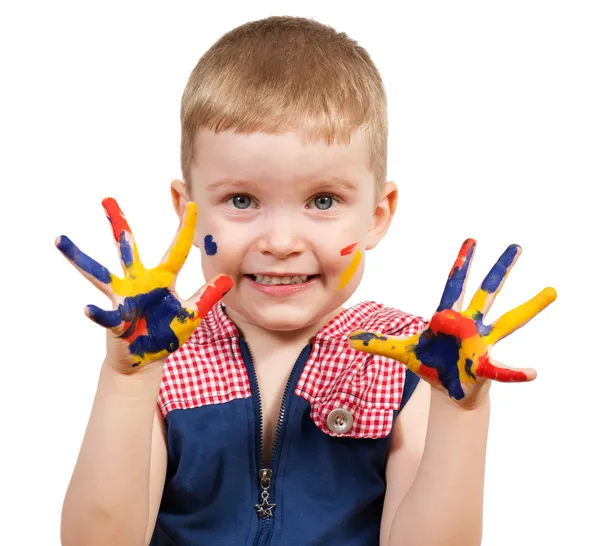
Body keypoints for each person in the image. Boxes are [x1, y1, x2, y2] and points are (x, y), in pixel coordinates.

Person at [56, 15, 556, 546]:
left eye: (323, 201)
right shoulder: (164, 359)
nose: (281, 241)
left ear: (377, 215)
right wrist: (128, 382)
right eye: (241, 200)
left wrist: (461, 412)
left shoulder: (410, 360)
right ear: (189, 212)